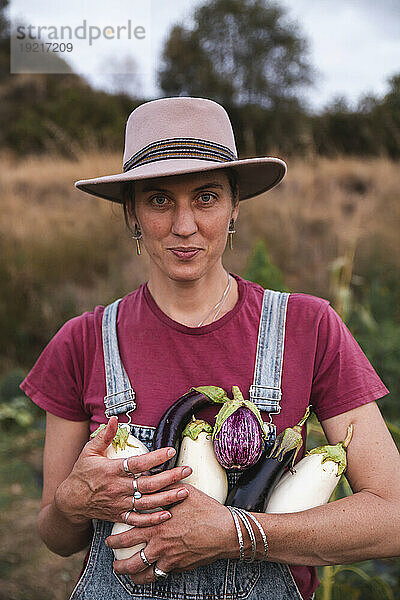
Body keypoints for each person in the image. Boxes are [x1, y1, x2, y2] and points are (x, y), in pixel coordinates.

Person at [21, 97, 400, 600]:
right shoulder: (82, 342)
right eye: (159, 200)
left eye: (205, 197)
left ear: (234, 206)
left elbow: (392, 516)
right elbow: (58, 538)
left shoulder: (309, 328)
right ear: (131, 211)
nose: (184, 226)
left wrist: (237, 533)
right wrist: (71, 504)